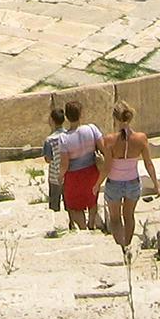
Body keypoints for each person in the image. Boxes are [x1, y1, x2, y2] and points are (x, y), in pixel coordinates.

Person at [100, 102, 160, 251]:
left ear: (115, 119)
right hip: (133, 182)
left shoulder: (109, 140)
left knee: (115, 219)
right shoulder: (141, 138)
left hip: (114, 182)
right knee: (129, 215)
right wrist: (156, 184)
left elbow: (107, 167)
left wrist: (96, 185)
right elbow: (148, 163)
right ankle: (127, 245)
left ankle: (120, 247)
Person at [58, 99, 103, 232]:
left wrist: (60, 176)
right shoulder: (92, 129)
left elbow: (65, 163)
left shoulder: (64, 138)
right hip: (92, 171)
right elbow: (103, 148)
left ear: (66, 117)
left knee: (76, 205)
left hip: (74, 175)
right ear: (81, 113)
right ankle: (92, 223)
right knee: (92, 198)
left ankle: (83, 228)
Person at [42, 104, 68, 222]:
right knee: (69, 204)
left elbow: (48, 159)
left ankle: (55, 226)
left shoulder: (49, 140)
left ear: (52, 120)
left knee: (54, 205)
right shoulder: (68, 135)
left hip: (54, 176)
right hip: (68, 175)